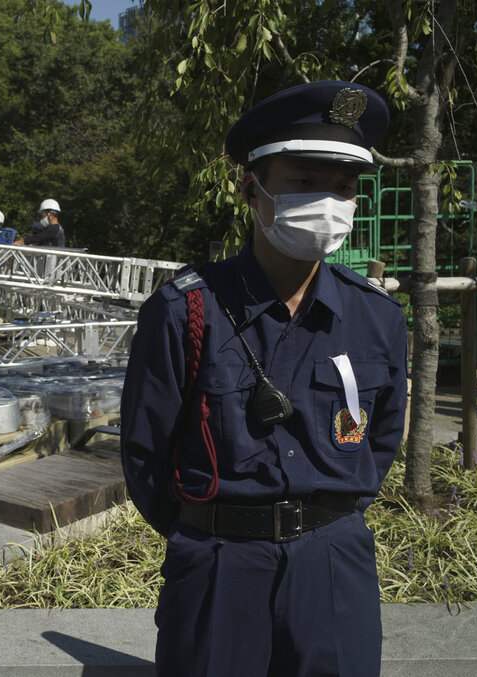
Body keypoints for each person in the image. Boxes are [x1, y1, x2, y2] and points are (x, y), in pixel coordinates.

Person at [120, 81, 408, 677]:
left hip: (334, 563)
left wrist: (325, 519)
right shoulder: (182, 311)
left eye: (345, 188)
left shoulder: (376, 317)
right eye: (303, 182)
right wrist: (204, 536)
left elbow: (380, 442)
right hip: (219, 565)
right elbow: (145, 455)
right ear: (251, 188)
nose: (327, 202)